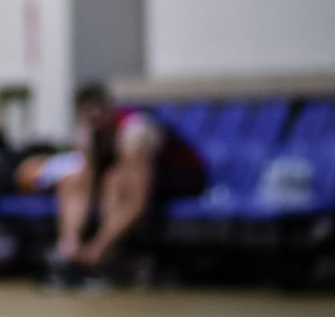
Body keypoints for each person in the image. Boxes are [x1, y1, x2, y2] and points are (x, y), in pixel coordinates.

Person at [15, 82, 204, 280]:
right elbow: (86, 181)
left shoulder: (135, 134)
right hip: (125, 176)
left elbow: (137, 201)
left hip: (183, 176)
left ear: (110, 111)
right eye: (90, 120)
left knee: (115, 181)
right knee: (73, 179)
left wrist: (99, 246)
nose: (96, 125)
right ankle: (68, 248)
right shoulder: (87, 132)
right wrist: (73, 242)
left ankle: (107, 258)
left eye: (100, 118)